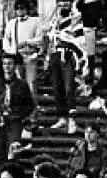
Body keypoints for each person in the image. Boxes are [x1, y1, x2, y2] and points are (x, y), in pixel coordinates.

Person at [0, 52, 34, 178]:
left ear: (15, 66)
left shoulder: (22, 84)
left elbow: (30, 105)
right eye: (5, 64)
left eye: (10, 64)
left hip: (14, 123)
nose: (7, 67)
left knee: (13, 152)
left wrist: (18, 115)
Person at [45, 0, 85, 134]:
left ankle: (72, 119)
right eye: (61, 3)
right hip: (55, 56)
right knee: (57, 88)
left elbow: (79, 41)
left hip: (68, 56)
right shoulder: (53, 21)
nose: (63, 6)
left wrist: (65, 39)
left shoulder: (76, 19)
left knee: (69, 88)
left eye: (66, 3)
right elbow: (50, 41)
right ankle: (61, 117)